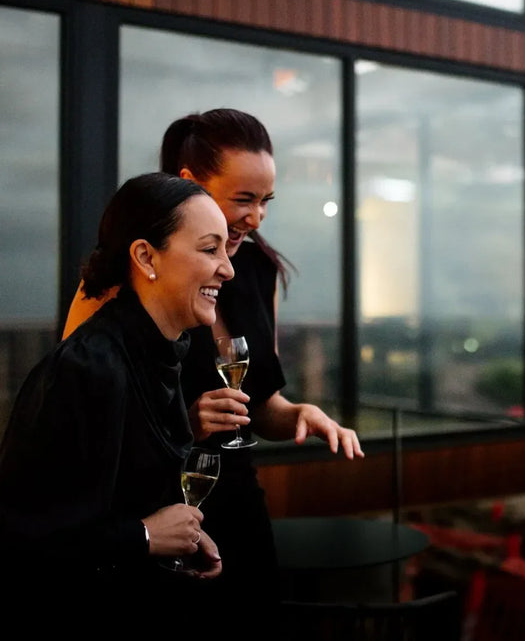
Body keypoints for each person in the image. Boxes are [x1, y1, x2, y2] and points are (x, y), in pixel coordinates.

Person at [61, 109, 364, 636]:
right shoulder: (125, 273)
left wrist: (298, 413)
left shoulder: (258, 269)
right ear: (189, 185)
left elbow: (258, 405)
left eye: (265, 201)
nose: (256, 218)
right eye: (242, 199)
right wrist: (185, 421)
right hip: (153, 512)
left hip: (238, 497)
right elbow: (77, 409)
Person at [0, 173, 232, 637]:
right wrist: (146, 536)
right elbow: (13, 540)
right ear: (146, 256)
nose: (228, 268)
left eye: (226, 250)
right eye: (210, 249)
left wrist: (176, 535)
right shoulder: (87, 369)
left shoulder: (162, 352)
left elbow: (119, 502)